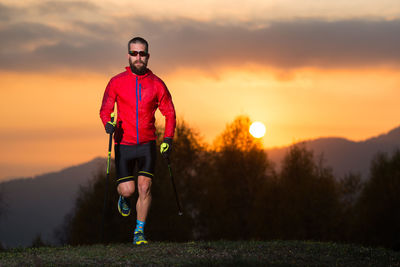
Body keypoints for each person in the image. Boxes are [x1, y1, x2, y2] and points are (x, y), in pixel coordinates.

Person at [99, 37, 176, 245]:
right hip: (124, 143)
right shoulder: (116, 82)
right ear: (128, 55)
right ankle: (123, 197)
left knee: (145, 187)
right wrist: (108, 123)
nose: (138, 57)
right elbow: (105, 109)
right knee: (129, 189)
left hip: (147, 144)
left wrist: (168, 138)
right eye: (134, 53)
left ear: (148, 56)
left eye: (142, 54)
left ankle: (139, 232)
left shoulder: (157, 84)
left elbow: (170, 113)